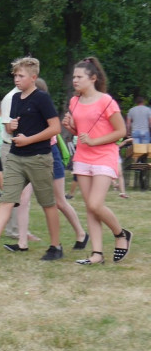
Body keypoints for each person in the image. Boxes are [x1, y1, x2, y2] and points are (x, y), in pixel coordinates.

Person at [0, 57, 63, 262]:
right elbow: (13, 125)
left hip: (39, 158)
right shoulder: (17, 98)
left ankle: (56, 246)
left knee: (47, 203)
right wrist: (11, 127)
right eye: (15, 75)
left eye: (21, 76)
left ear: (33, 77)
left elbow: (55, 128)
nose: (16, 79)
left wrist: (29, 140)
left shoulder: (42, 98)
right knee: (6, 200)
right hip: (16, 157)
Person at [3, 79, 88, 254]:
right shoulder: (25, 106)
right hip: (28, 156)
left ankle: (81, 233)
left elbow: (52, 131)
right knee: (23, 198)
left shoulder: (42, 107)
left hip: (49, 156)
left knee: (59, 201)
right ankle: (22, 241)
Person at [62, 56, 132, 265]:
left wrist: (94, 141)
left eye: (79, 77)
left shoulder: (106, 101)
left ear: (93, 78)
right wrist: (71, 127)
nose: (75, 80)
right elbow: (81, 131)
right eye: (74, 77)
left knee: (95, 203)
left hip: (104, 155)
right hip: (83, 156)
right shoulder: (74, 101)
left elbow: (121, 131)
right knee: (89, 207)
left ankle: (121, 234)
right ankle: (97, 254)